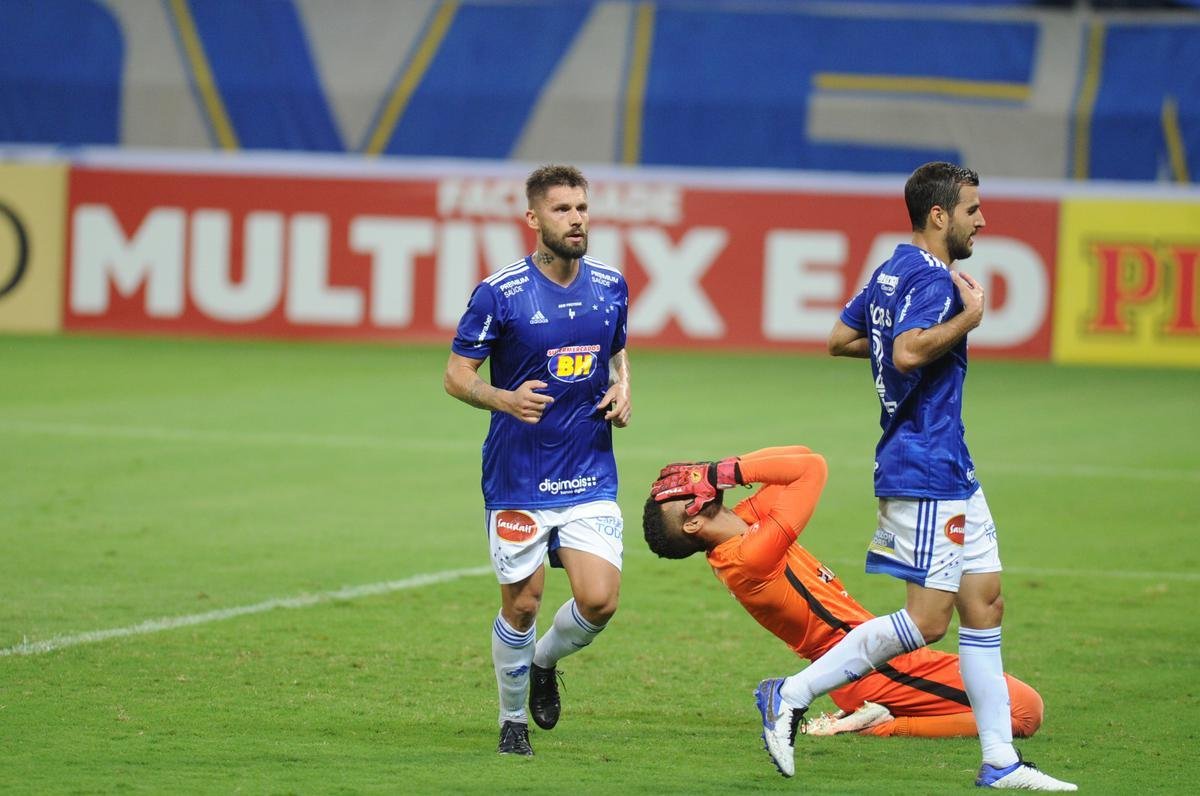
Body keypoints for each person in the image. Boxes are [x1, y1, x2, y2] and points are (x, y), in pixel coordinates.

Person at [814, 162, 1075, 789]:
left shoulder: (889, 268)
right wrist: (968, 320)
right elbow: (905, 352)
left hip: (953, 465)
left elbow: (839, 338)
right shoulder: (933, 280)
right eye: (972, 210)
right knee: (927, 621)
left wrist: (891, 347)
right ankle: (793, 691)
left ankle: (1000, 762)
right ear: (940, 215)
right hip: (925, 462)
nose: (982, 220)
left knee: (985, 603)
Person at [642, 446, 1046, 745]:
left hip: (878, 654)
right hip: (873, 669)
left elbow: (801, 455)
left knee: (993, 694)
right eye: (677, 495)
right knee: (1025, 710)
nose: (687, 483)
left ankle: (876, 714)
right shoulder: (749, 557)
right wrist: (724, 471)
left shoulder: (745, 523)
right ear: (692, 524)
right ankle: (882, 723)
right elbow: (810, 470)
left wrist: (720, 475)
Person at [444, 164, 631, 756]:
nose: (576, 219)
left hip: (588, 469)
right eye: (562, 210)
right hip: (519, 475)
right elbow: (455, 375)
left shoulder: (611, 285)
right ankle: (512, 720)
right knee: (522, 603)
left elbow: (618, 350)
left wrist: (624, 386)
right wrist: (504, 398)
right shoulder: (499, 292)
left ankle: (545, 662)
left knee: (599, 599)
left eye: (581, 208)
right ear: (533, 219)